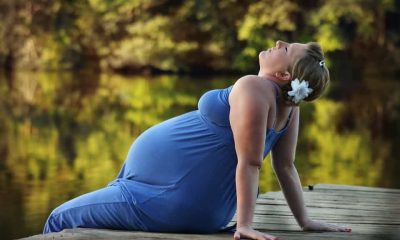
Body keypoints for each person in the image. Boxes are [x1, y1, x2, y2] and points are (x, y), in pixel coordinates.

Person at [43, 40, 352, 240]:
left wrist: (244, 225)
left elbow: (251, 162)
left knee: (58, 220)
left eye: (285, 49)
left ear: (284, 76)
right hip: (185, 201)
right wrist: (304, 221)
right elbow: (285, 167)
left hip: (165, 198)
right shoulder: (289, 106)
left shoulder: (253, 86)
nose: (278, 43)